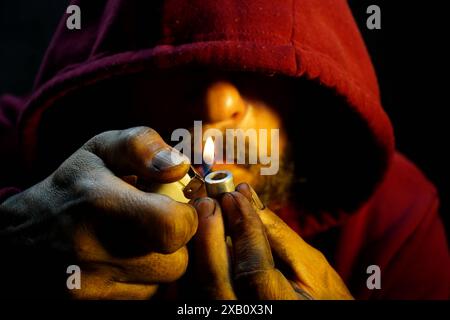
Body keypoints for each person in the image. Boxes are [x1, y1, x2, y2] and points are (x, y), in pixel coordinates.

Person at [0, 0, 448, 299]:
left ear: (313, 96)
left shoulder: (395, 219)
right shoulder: (13, 159)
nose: (218, 106)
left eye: (266, 68)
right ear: (116, 78)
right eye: (179, 64)